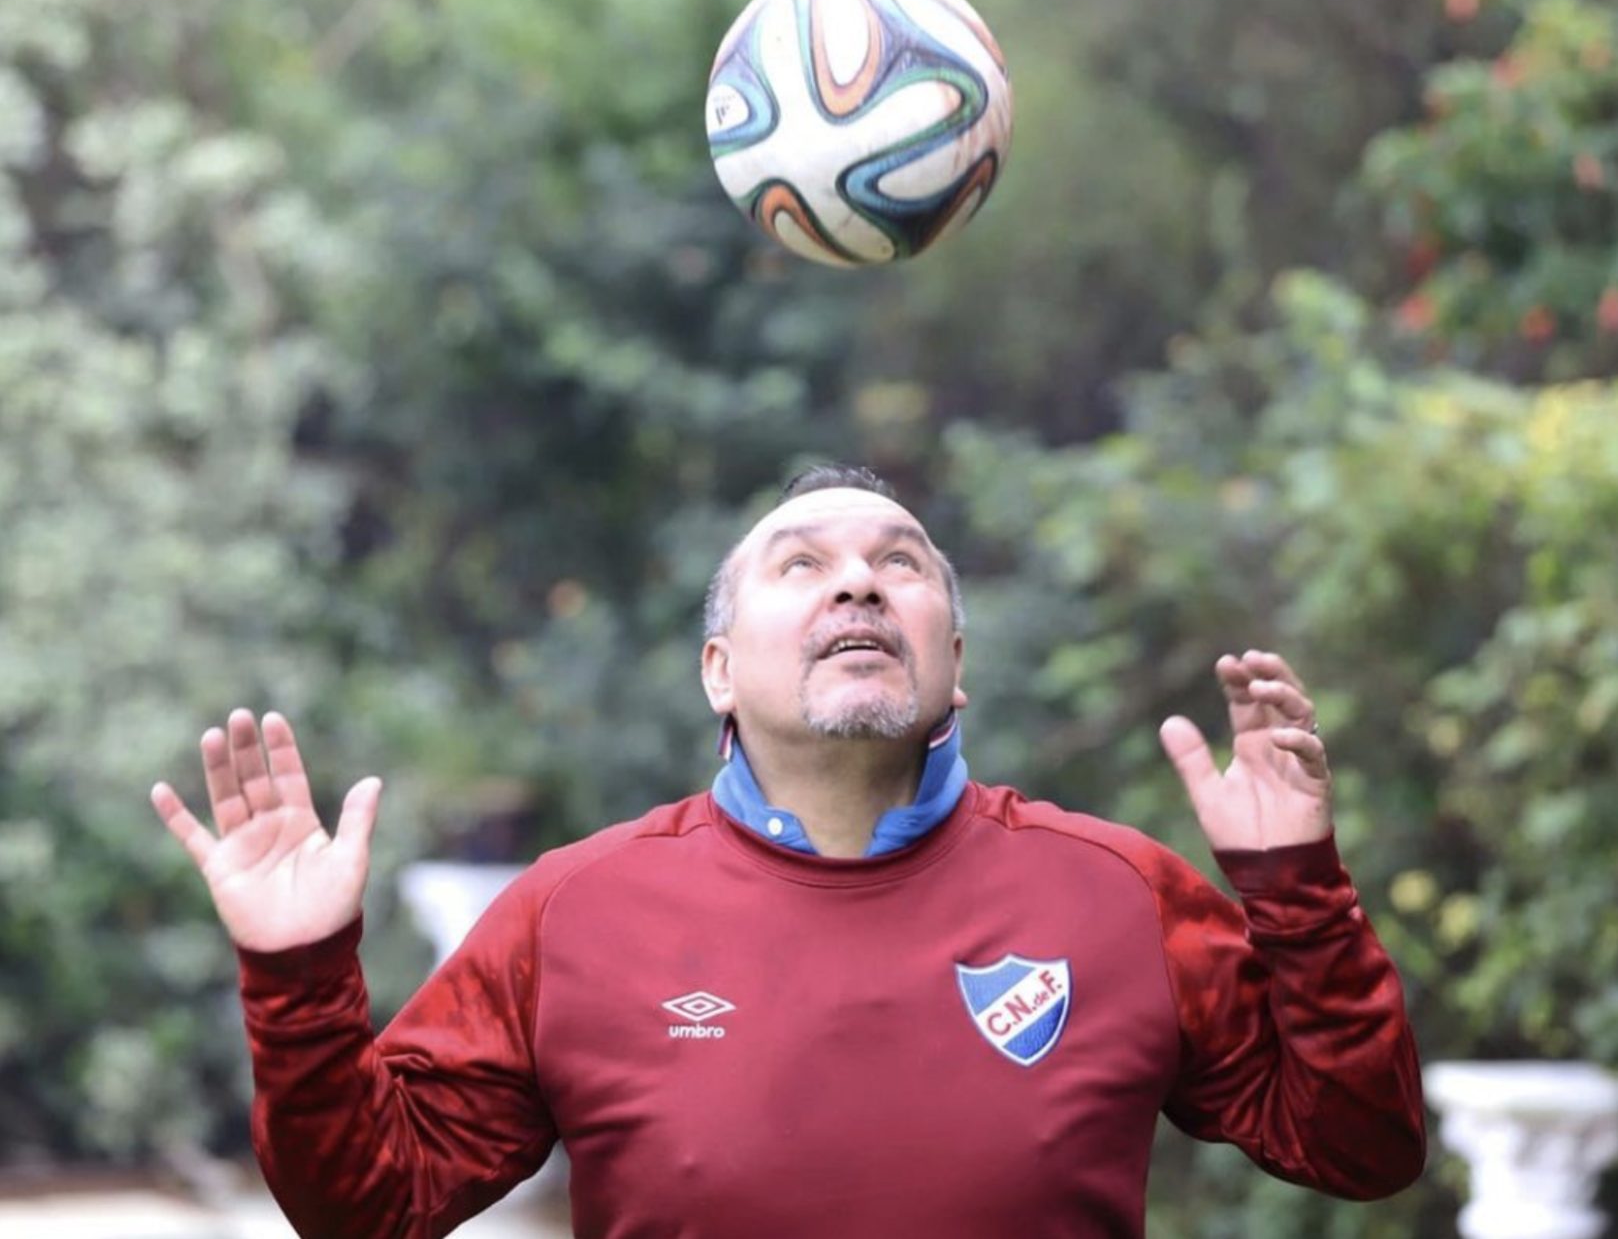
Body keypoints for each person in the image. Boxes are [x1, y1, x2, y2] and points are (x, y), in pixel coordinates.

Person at [150, 463, 1425, 1239]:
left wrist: (1298, 891)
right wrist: (299, 977)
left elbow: (1360, 1148)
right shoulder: (573, 914)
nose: (857, 584)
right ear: (718, 668)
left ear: (956, 665)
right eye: (801, 563)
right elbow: (369, 1207)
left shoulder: (1120, 894)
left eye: (899, 563)